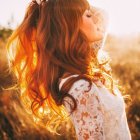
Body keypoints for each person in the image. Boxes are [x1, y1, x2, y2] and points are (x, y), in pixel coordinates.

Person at [6, 0, 131, 139]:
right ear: (72, 28)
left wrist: (65, 6)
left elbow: (104, 14)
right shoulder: (81, 87)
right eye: (88, 15)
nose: (96, 19)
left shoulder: (85, 64)